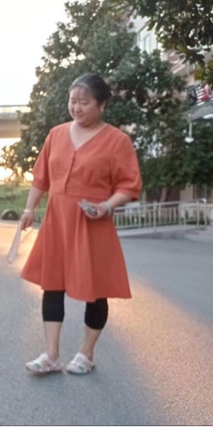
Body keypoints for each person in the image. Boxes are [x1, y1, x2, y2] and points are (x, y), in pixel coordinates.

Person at [19, 73, 142, 375]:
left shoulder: (117, 141)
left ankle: (86, 354)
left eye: (84, 102)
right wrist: (29, 208)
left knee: (96, 289)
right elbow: (41, 178)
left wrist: (106, 206)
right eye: (73, 101)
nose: (76, 107)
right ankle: (51, 355)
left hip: (93, 224)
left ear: (101, 105)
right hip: (57, 222)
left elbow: (129, 186)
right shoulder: (56, 134)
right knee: (52, 285)